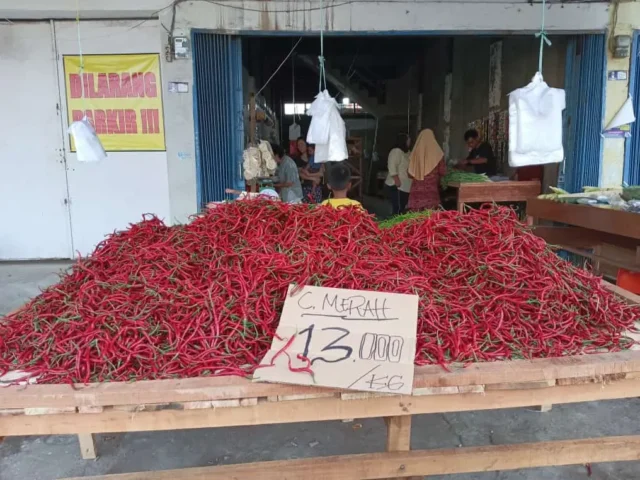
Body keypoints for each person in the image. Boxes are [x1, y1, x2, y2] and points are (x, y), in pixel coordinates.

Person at [407, 129, 446, 212]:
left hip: (417, 191)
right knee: (430, 218)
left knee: (415, 218)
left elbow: (409, 174)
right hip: (431, 190)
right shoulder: (438, 153)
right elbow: (443, 171)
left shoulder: (415, 153)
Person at [385, 133, 412, 215]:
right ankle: (394, 226)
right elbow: (392, 166)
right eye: (408, 140)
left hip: (406, 186)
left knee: (403, 208)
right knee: (398, 209)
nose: (410, 141)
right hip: (397, 186)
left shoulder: (408, 153)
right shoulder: (396, 151)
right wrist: (396, 180)